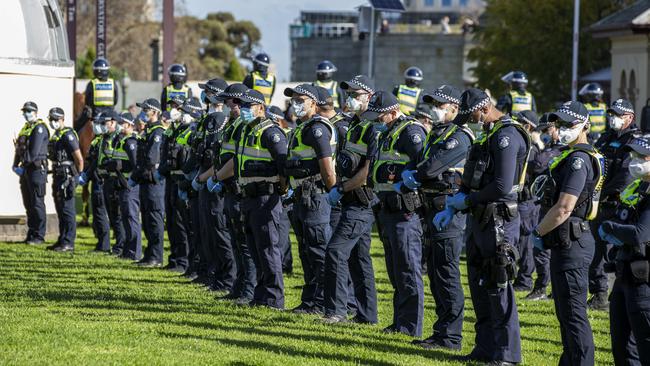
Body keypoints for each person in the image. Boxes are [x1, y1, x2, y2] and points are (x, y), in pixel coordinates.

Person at [435, 88, 530, 364]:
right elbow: (473, 175)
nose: (471, 120)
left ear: (485, 107)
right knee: (479, 284)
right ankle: (485, 347)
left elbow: (501, 185)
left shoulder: (506, 136)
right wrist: (457, 200)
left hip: (499, 219)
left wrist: (467, 200)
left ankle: (507, 354)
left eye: (472, 114)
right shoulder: (487, 134)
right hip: (480, 218)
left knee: (498, 284)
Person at [531, 101, 604, 365]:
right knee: (565, 312)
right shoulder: (572, 154)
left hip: (573, 241)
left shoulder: (578, 160)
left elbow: (564, 208)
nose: (561, 129)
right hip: (567, 240)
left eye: (568, 124)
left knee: (573, 313)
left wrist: (537, 232)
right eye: (559, 124)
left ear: (584, 126)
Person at [213, 89, 288, 309]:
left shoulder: (270, 132)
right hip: (248, 196)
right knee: (255, 248)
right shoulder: (247, 130)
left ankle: (274, 299)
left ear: (260, 108)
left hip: (266, 197)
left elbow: (283, 165)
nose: (244, 109)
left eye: (248, 106)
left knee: (268, 250)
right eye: (241, 105)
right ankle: (261, 294)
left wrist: (281, 189)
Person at [409, 85, 470, 350]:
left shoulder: (459, 136)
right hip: (431, 207)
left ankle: (451, 337)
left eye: (439, 104)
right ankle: (441, 330)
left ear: (454, 109)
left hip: (448, 211)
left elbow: (432, 167)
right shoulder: (438, 133)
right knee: (435, 272)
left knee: (446, 272)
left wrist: (416, 174)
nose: (434, 109)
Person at [321, 75, 378, 325]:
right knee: (359, 258)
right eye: (349, 94)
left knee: (335, 251)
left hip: (361, 199)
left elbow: (367, 170)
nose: (350, 98)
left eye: (356, 94)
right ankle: (366, 315)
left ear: (369, 97)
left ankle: (336, 311)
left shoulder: (373, 126)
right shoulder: (353, 124)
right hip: (351, 199)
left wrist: (341, 188)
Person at [370, 91, 427, 337]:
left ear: (393, 112)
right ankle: (399, 321)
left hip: (405, 211)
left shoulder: (410, 132)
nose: (376, 120)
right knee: (395, 269)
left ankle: (411, 326)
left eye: (380, 115)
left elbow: (423, 167)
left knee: (407, 269)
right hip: (387, 209)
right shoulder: (389, 131)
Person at [283, 84, 337, 315]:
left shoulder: (317, 128)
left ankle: (322, 301)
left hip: (316, 197)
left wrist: (334, 194)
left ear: (314, 104)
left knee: (318, 250)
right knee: (306, 250)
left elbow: (327, 168)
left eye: (300, 99)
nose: (295, 102)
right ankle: (310, 300)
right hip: (302, 197)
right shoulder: (300, 127)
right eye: (293, 99)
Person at [598, 135, 650, 365]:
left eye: (642, 156)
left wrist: (610, 228)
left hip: (644, 279)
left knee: (644, 342)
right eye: (634, 154)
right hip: (624, 271)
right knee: (621, 342)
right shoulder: (638, 186)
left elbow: (640, 233)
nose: (635, 160)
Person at [589, 99, 641, 311]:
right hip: (599, 202)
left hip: (619, 204)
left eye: (618, 114)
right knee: (597, 250)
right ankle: (599, 294)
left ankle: (619, 293)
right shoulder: (606, 137)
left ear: (629, 117)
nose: (613, 118)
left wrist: (602, 193)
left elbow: (626, 176)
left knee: (617, 252)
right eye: (611, 114)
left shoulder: (635, 140)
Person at [524, 113, 561, 301]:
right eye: (542, 130)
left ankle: (548, 288)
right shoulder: (550, 147)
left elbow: (538, 165)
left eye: (548, 130)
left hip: (557, 207)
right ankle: (541, 286)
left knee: (549, 250)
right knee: (541, 249)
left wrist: (538, 145)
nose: (545, 133)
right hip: (545, 204)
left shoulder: (559, 148)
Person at [159, 95, 192, 273]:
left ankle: (183, 261)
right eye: (172, 106)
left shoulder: (188, 130)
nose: (173, 110)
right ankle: (174, 258)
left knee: (181, 223)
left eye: (177, 107)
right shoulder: (173, 129)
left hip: (181, 180)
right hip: (171, 179)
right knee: (171, 221)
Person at [131, 99, 166, 267]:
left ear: (154, 112)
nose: (143, 112)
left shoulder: (157, 132)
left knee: (154, 218)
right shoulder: (149, 131)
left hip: (153, 182)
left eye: (146, 109)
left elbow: (151, 158)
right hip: (145, 180)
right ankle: (149, 253)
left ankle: (156, 256)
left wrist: (137, 174)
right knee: (146, 217)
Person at [511, 110, 543, 293]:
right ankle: (520, 277)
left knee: (525, 241)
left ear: (528, 126)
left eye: (519, 121)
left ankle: (525, 280)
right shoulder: (524, 143)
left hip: (526, 201)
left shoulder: (531, 148)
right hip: (520, 200)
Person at [105, 112, 142, 261]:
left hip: (129, 186)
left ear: (128, 124)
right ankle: (128, 250)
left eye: (122, 123)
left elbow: (135, 165)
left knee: (131, 218)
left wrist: (120, 165)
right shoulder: (122, 140)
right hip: (122, 184)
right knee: (126, 218)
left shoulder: (130, 142)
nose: (119, 125)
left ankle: (134, 252)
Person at [45, 107, 83, 252]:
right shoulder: (57, 135)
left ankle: (69, 242)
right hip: (58, 174)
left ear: (62, 119)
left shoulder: (68, 135)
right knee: (60, 209)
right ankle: (62, 239)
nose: (52, 122)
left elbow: (79, 159)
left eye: (55, 119)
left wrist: (77, 177)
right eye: (51, 119)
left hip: (67, 176)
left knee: (67, 210)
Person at [13, 101, 49, 244]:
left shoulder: (39, 128)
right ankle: (31, 233)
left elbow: (33, 152)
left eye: (28, 111)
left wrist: (23, 164)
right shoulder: (26, 128)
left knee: (37, 203)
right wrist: (15, 164)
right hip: (26, 170)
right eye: (24, 111)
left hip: (36, 170)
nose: (26, 114)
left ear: (35, 112)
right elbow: (19, 148)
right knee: (28, 203)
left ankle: (39, 235)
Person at [78, 112, 111, 252]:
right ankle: (100, 242)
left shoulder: (106, 140)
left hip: (103, 181)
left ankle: (104, 244)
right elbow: (92, 161)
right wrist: (85, 174)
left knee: (101, 213)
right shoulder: (97, 140)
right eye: (95, 123)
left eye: (99, 123)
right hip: (96, 179)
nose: (95, 126)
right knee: (97, 212)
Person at [97, 111, 126, 256]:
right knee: (112, 214)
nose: (102, 126)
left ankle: (121, 246)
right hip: (106, 179)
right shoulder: (105, 137)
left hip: (116, 180)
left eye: (105, 123)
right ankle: (118, 245)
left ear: (114, 122)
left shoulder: (118, 137)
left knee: (118, 214)